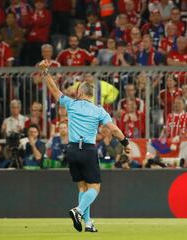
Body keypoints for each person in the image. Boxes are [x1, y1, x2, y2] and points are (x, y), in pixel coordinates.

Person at [39, 60, 130, 233]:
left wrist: (45, 72)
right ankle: (78, 211)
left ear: (80, 92)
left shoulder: (71, 104)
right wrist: (125, 143)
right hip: (88, 150)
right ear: (92, 94)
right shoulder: (98, 110)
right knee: (95, 187)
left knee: (82, 186)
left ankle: (88, 224)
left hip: (72, 150)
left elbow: (54, 90)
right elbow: (114, 129)